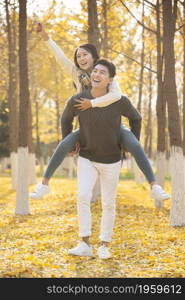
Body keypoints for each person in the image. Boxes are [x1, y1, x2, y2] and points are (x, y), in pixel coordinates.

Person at [29, 23, 169, 203]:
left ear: (94, 57)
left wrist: (92, 103)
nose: (81, 58)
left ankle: (154, 186)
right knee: (64, 144)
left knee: (135, 145)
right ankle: (44, 185)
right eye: (78, 56)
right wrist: (45, 37)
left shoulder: (107, 75)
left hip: (112, 125)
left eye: (85, 54)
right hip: (88, 127)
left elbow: (117, 95)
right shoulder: (75, 73)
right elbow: (60, 57)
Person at [61, 58, 142, 258]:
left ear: (110, 79)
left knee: (108, 203)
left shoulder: (120, 100)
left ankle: (104, 244)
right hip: (87, 156)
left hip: (112, 159)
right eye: (95, 71)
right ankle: (85, 243)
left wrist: (130, 142)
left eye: (102, 72)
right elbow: (65, 119)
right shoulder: (79, 99)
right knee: (82, 195)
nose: (96, 75)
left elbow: (136, 118)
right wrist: (70, 142)